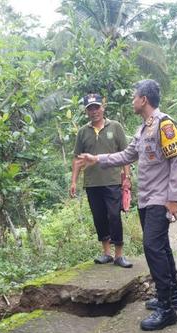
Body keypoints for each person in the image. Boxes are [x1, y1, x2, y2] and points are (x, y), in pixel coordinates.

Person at [77, 79, 177, 331]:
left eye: (134, 96)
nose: (132, 100)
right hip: (146, 199)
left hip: (161, 199)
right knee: (162, 247)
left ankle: (167, 310)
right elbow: (127, 155)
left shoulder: (165, 124)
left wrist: (174, 199)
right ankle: (173, 297)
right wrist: (98, 158)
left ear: (143, 100)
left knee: (152, 248)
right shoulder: (143, 129)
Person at [70, 93, 133, 268]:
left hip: (113, 181)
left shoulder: (116, 127)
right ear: (86, 111)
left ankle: (119, 254)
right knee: (99, 218)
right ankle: (106, 253)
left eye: (96, 107)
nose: (94, 111)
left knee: (114, 216)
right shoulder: (83, 132)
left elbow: (125, 154)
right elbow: (77, 159)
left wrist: (126, 177)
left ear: (102, 108)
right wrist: (74, 181)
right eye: (90, 108)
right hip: (91, 183)